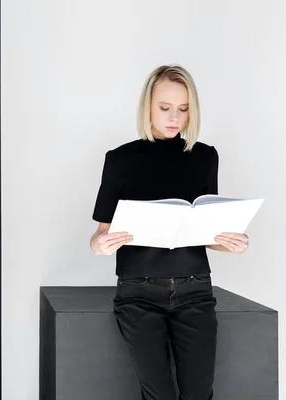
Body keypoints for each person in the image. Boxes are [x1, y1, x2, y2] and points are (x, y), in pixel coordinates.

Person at [90, 65, 249, 400]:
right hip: (138, 294)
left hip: (195, 290)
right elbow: (100, 236)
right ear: (148, 106)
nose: (175, 117)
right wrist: (101, 245)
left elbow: (205, 232)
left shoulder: (205, 157)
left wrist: (228, 241)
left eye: (184, 108)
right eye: (165, 108)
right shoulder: (120, 159)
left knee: (198, 394)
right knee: (158, 395)